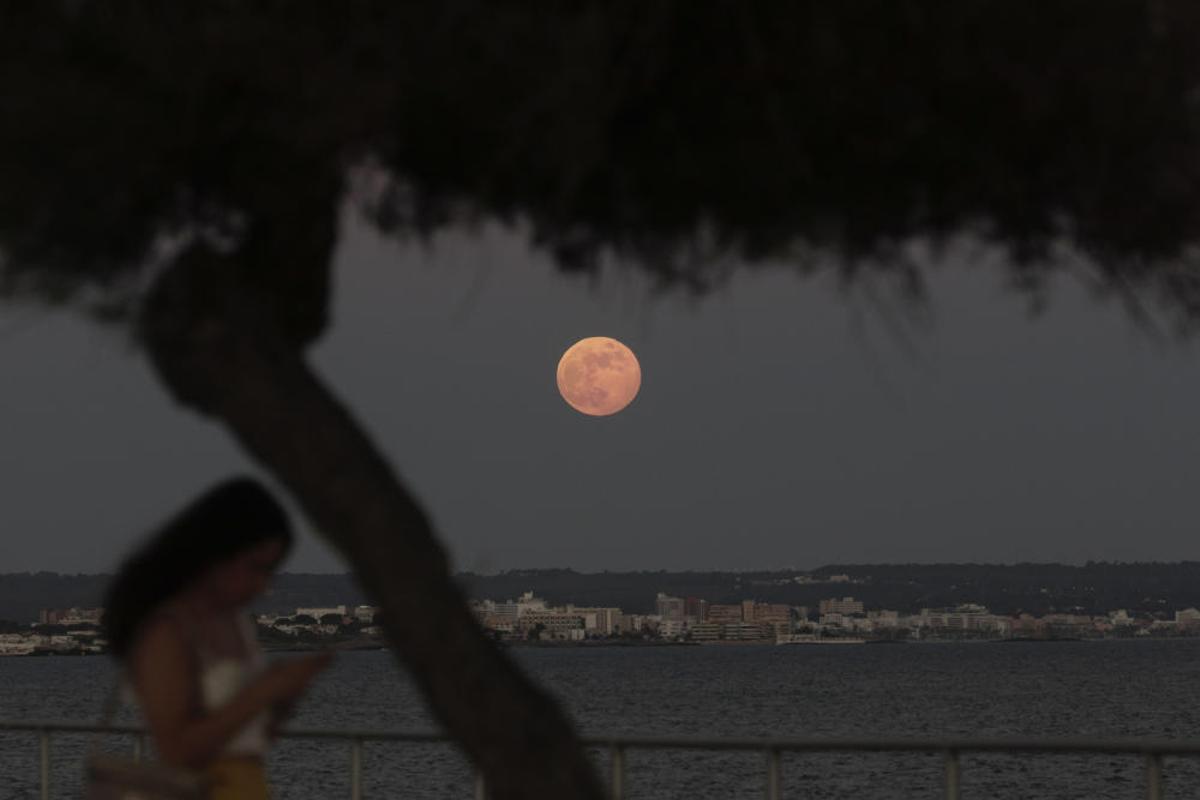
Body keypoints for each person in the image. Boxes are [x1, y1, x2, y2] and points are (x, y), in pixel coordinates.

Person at [102, 477, 333, 799]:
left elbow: (250, 740)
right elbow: (176, 752)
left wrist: (282, 700)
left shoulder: (237, 623)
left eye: (270, 571)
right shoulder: (169, 630)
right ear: (218, 555)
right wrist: (264, 691)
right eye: (256, 567)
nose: (263, 585)